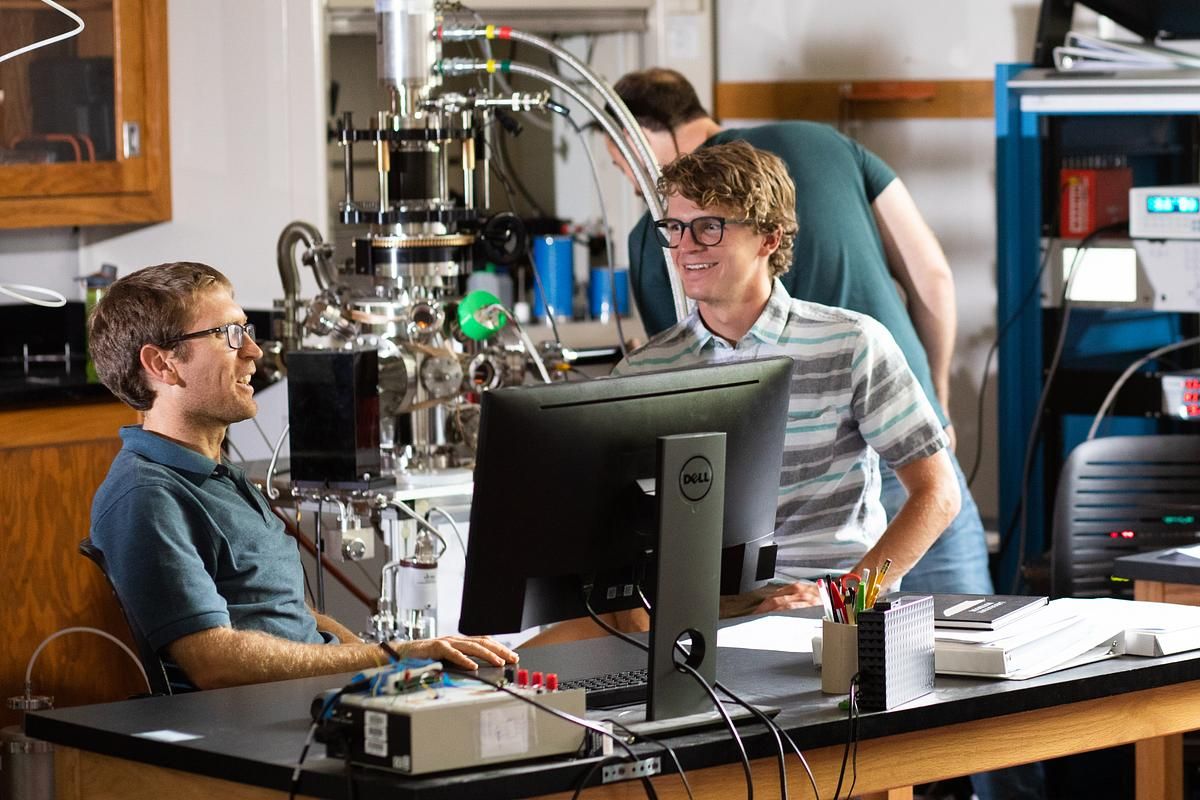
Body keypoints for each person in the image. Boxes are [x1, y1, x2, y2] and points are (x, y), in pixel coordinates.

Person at [607, 68, 992, 598]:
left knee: (957, 632)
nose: (686, 245)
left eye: (709, 227)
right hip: (731, 617)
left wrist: (842, 598)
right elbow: (932, 276)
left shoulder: (854, 342)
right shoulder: (823, 143)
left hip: (846, 568)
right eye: (674, 228)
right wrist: (936, 396)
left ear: (769, 238)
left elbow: (936, 495)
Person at [88, 262, 516, 690]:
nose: (253, 351)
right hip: (262, 721)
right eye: (228, 334)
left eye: (246, 330)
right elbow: (213, 662)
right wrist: (389, 657)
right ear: (161, 364)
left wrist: (391, 670)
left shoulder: (218, 475)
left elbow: (291, 614)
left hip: (310, 700)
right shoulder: (146, 495)